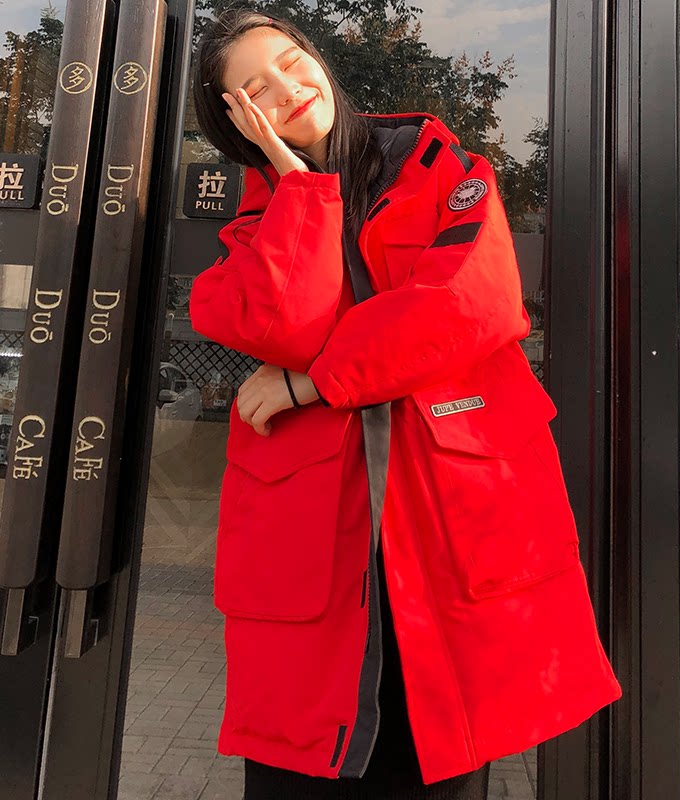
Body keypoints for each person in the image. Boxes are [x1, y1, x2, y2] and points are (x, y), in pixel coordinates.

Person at [189, 9, 622, 800]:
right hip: (316, 532)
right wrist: (298, 185)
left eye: (291, 61)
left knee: (437, 754)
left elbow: (466, 304)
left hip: (449, 512)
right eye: (256, 87)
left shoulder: (441, 167)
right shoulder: (257, 225)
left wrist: (314, 382)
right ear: (236, 118)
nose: (287, 88)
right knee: (303, 762)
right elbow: (283, 323)